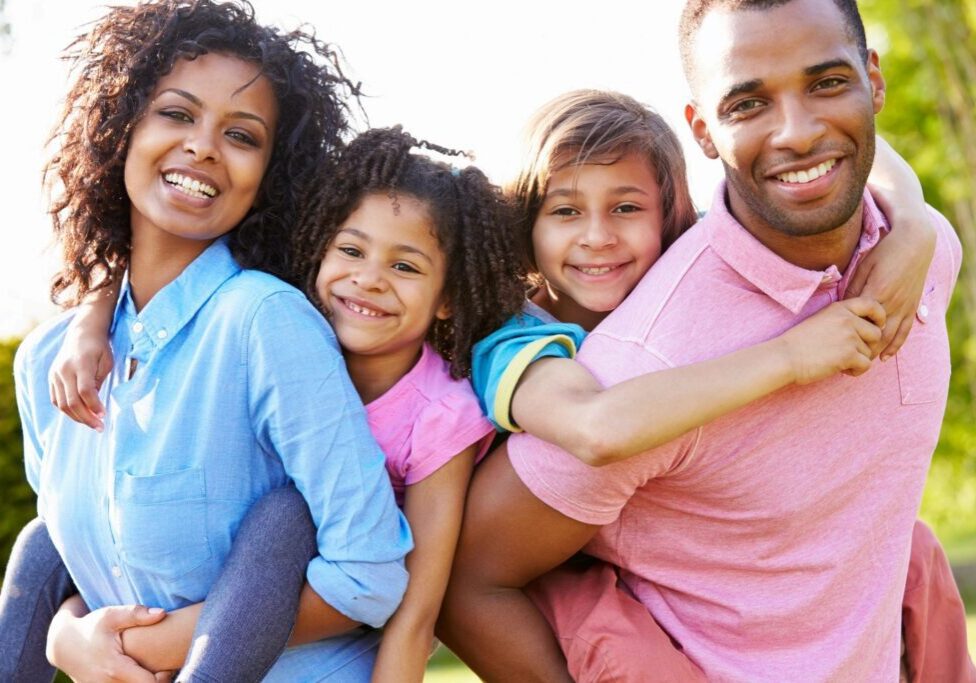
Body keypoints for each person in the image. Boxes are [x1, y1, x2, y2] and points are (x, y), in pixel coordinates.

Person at [438, 1, 969, 680]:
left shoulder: (921, 256)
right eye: (748, 103)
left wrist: (918, 221)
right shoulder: (640, 370)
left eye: (827, 83)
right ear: (704, 129)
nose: (799, 133)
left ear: (875, 80)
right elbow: (466, 578)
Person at [8, 125, 525, 681]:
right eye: (350, 250)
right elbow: (146, 260)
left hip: (304, 608)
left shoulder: (437, 414)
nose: (368, 279)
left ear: (447, 298)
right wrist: (92, 313)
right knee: (43, 534)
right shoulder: (274, 333)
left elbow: (414, 612)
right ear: (317, 252)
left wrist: (157, 646)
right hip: (217, 596)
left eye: (405, 267)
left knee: (287, 513)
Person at [1, 1, 412, 681]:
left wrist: (153, 645)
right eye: (177, 113)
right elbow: (80, 559)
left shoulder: (264, 322)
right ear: (120, 128)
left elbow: (367, 574)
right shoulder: (50, 358)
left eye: (242, 135)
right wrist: (66, 634)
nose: (203, 147)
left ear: (271, 172)